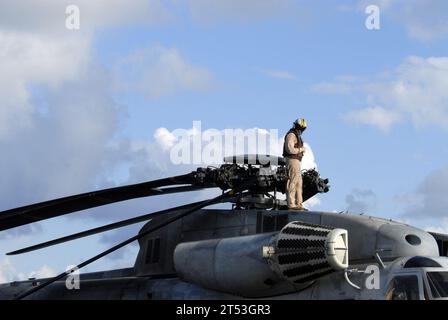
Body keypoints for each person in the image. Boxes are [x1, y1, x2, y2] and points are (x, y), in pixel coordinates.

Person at [282, 118, 308, 211]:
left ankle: (299, 204)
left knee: (298, 182)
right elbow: (290, 149)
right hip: (292, 159)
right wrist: (301, 149)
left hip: (297, 161)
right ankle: (291, 204)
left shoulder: (296, 135)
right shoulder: (291, 135)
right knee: (293, 181)